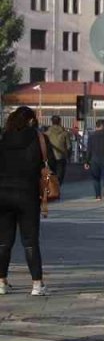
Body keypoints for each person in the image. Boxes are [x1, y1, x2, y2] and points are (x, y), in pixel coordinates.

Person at [0, 106, 52, 295]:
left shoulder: (4, 138)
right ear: (31, 120)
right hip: (28, 195)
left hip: (3, 194)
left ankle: (1, 282)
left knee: (4, 241)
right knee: (30, 241)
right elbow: (50, 164)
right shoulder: (39, 139)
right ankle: (37, 284)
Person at [84, 119, 104, 201]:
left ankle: (98, 196)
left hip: (94, 159)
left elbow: (89, 150)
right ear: (102, 126)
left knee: (96, 178)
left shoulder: (91, 136)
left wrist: (86, 161)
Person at [45, 115, 71, 185]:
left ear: (52, 122)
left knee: (51, 175)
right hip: (61, 157)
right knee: (60, 176)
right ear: (60, 122)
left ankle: (52, 189)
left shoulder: (46, 133)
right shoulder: (65, 133)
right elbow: (69, 146)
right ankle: (57, 189)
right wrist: (69, 156)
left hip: (50, 157)